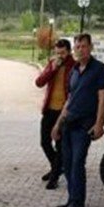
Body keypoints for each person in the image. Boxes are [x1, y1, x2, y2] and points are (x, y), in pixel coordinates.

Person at [52, 33, 104, 207]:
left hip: (84, 125)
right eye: (77, 47)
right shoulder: (74, 70)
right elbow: (69, 99)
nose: (80, 50)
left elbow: (102, 98)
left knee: (77, 163)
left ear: (90, 47)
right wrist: (57, 124)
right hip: (68, 123)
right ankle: (71, 198)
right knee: (67, 164)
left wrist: (99, 124)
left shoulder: (99, 69)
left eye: (84, 46)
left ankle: (78, 202)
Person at [34, 38, 75, 189]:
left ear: (69, 52)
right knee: (44, 142)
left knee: (60, 145)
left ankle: (55, 176)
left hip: (64, 112)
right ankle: (56, 167)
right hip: (49, 109)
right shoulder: (53, 63)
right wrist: (53, 69)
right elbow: (39, 82)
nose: (60, 56)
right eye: (57, 53)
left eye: (63, 53)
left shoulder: (74, 66)